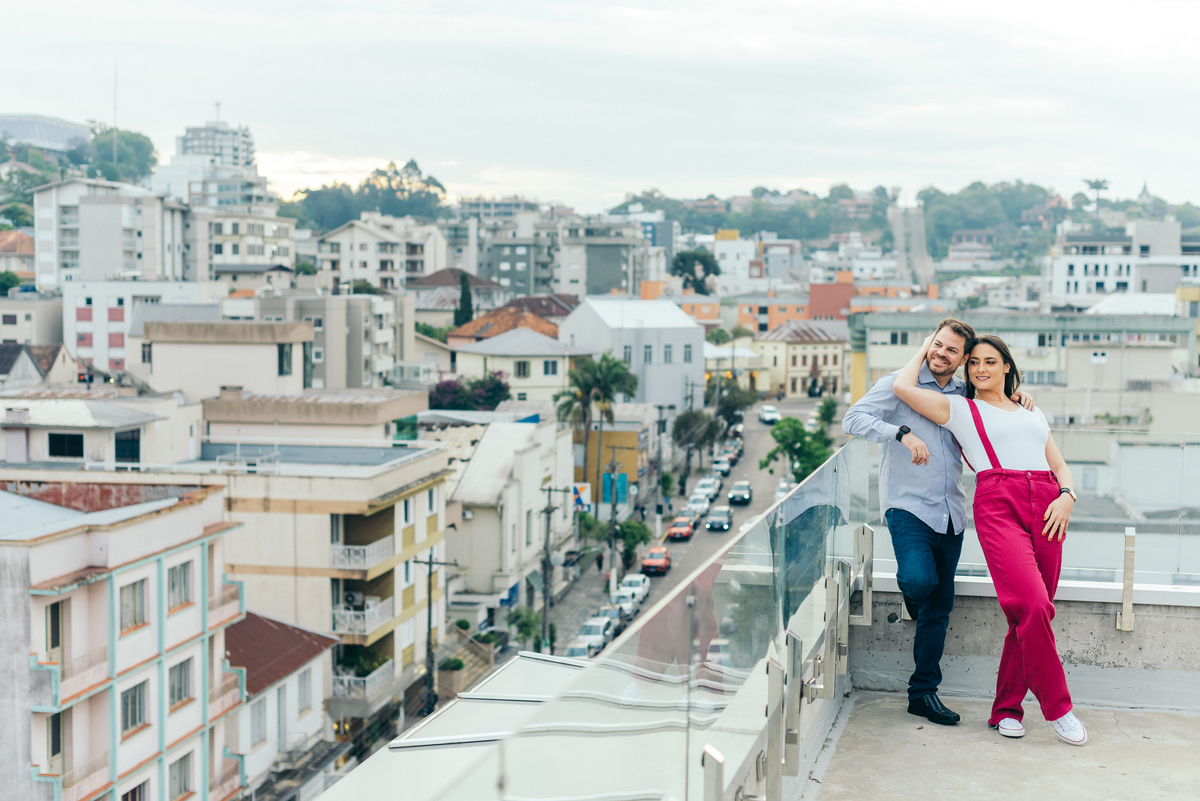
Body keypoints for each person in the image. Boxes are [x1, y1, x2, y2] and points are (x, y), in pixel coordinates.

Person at [893, 333, 1086, 746]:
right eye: (974, 362)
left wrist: (1067, 496)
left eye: (990, 361)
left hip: (1050, 505)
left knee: (1029, 616)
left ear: (1006, 366)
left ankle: (1006, 710)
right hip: (999, 503)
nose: (980, 368)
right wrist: (928, 345)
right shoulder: (962, 409)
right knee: (1033, 605)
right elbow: (903, 388)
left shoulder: (1030, 409)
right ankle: (1059, 708)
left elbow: (1059, 464)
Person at [842, 318, 1034, 726]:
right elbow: (852, 419)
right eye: (937, 345)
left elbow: (996, 406)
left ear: (963, 359)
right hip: (907, 505)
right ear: (928, 343)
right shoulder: (900, 383)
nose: (941, 354)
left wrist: (1017, 395)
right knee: (918, 582)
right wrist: (902, 433)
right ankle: (915, 604)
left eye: (951, 350)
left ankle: (922, 693)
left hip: (951, 513)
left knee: (939, 607)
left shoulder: (966, 393)